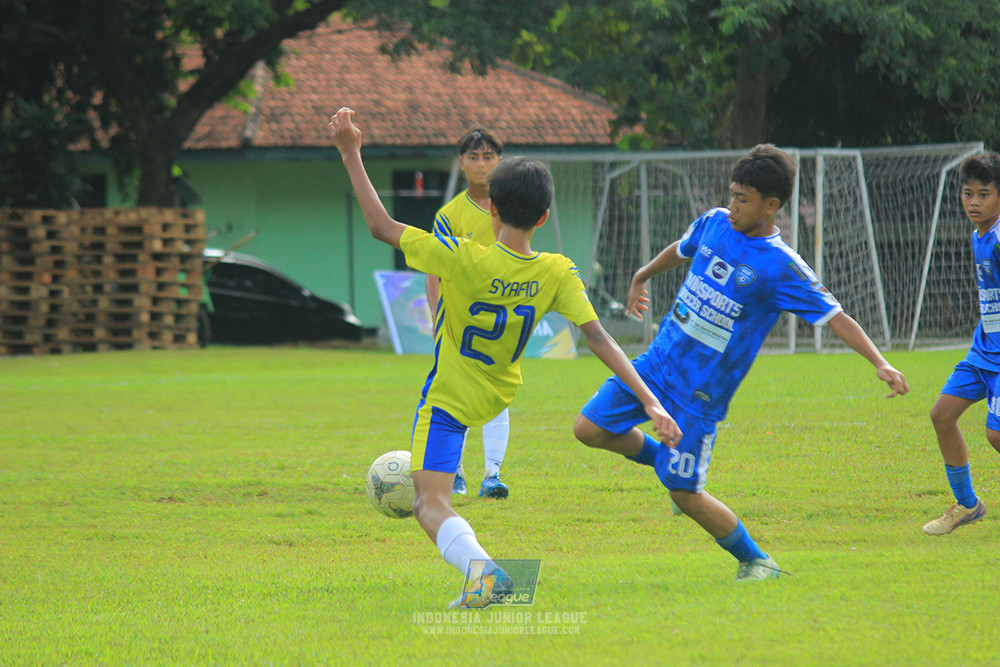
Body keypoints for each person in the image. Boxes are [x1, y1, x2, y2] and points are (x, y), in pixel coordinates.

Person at [327, 107, 681, 606]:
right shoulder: (558, 271)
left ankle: (490, 579)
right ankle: (491, 527)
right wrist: (650, 403)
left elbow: (380, 225)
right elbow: (600, 339)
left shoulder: (460, 254)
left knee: (430, 504)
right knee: (440, 493)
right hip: (497, 395)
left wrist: (350, 152)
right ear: (543, 217)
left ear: (490, 209)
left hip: (449, 401)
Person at [573, 144, 910, 581]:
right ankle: (668, 460)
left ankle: (757, 560)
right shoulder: (714, 222)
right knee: (589, 429)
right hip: (656, 366)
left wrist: (879, 362)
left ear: (772, 206)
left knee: (684, 494)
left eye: (743, 199)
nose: (733, 205)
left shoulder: (781, 265)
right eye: (732, 194)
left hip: (700, 394)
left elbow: (835, 316)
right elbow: (683, 248)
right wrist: (642, 275)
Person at [426, 128, 511, 499]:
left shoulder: (511, 207)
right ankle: (456, 474)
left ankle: (492, 475)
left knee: (496, 393)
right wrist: (436, 314)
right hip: (458, 319)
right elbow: (434, 267)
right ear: (461, 163)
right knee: (456, 395)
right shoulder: (449, 215)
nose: (481, 164)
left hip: (499, 319)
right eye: (473, 157)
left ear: (500, 162)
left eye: (488, 156)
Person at [922, 151, 1000, 536]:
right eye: (967, 193)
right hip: (984, 350)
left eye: (984, 193)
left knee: (996, 436)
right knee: (942, 415)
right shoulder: (977, 236)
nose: (974, 202)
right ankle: (968, 505)